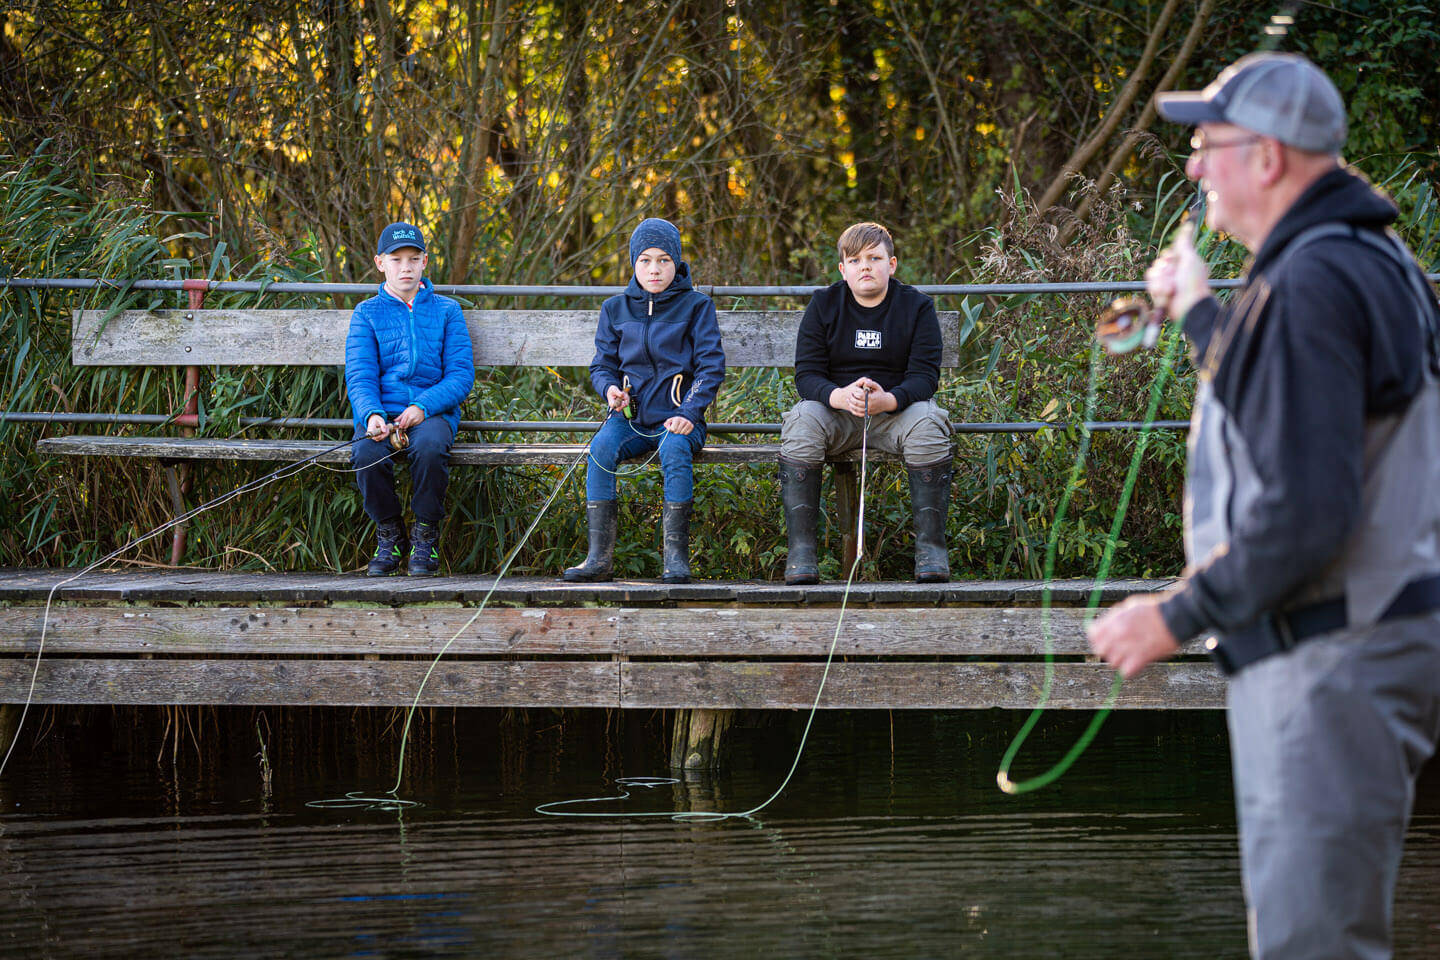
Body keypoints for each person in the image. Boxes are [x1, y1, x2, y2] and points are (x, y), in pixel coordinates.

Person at [1087, 53, 1440, 959]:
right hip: (1351, 650)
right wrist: (1205, 318)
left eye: (1208, 146)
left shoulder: (1312, 283)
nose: (1195, 167)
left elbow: (1307, 513)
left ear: (1271, 157)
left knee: (1310, 946)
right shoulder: (1359, 258)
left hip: (1331, 662)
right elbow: (1298, 412)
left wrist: (1174, 616)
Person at [779, 221, 952, 584]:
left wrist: (889, 399)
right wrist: (839, 395)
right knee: (801, 419)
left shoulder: (916, 307)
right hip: (837, 415)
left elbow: (925, 377)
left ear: (892, 264)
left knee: (929, 422)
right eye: (855, 261)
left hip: (896, 414)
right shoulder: (824, 304)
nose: (866, 267)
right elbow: (806, 375)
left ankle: (931, 552)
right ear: (843, 269)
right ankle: (801, 554)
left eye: (874, 258)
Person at [563, 218, 726, 584]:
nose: (655, 269)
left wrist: (688, 413)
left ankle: (675, 558)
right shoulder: (615, 309)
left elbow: (711, 367)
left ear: (678, 263)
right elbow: (602, 364)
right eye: (646, 261)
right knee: (601, 448)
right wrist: (610, 391)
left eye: (665, 260)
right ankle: (598, 558)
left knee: (673, 450)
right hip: (631, 419)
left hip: (679, 421)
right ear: (634, 263)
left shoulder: (696, 307)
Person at [345, 221, 475, 577]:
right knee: (366, 453)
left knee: (431, 448)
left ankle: (425, 536)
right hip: (381, 411)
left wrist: (423, 406)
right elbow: (360, 375)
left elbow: (461, 375)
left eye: (413, 259)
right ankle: (390, 532)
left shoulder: (447, 311)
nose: (405, 267)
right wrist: (371, 414)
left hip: (432, 411)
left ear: (424, 262)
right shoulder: (367, 314)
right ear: (379, 263)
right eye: (396, 259)